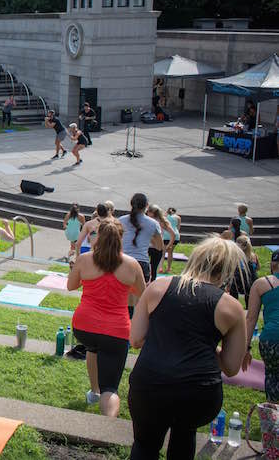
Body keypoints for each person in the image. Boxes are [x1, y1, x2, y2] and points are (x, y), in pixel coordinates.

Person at [128, 236, 248, 459]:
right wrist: (202, 343)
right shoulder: (231, 307)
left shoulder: (158, 287)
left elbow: (135, 339)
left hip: (150, 384)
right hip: (198, 392)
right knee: (185, 435)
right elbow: (231, 367)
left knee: (144, 445)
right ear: (227, 270)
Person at [67, 220, 146, 417]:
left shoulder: (84, 259)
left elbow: (71, 285)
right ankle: (106, 427)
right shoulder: (132, 264)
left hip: (84, 327)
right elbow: (142, 293)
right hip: (115, 330)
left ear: (98, 237)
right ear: (122, 238)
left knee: (94, 347)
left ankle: (95, 392)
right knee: (110, 388)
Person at [243, 250, 279, 401]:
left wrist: (245, 349)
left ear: (272, 264)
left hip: (270, 341)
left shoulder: (262, 284)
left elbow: (251, 319)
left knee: (272, 377)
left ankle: (273, 417)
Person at [120, 193, 161, 288]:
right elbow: (159, 247)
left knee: (121, 296)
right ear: (146, 206)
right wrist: (148, 237)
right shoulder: (153, 224)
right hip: (142, 262)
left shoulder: (121, 220)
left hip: (122, 261)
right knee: (140, 299)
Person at [145, 205, 176, 284]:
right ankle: (150, 282)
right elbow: (173, 234)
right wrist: (169, 245)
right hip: (155, 247)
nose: (146, 212)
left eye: (148, 211)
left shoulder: (158, 221)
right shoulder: (161, 220)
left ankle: (150, 284)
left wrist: (169, 245)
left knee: (152, 267)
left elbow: (173, 234)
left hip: (153, 247)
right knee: (152, 268)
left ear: (152, 213)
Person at [161, 207, 181, 273]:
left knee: (163, 253)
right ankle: (169, 268)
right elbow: (178, 228)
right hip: (175, 236)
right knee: (170, 252)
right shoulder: (178, 218)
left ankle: (160, 267)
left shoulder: (164, 216)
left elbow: (162, 227)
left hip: (166, 235)